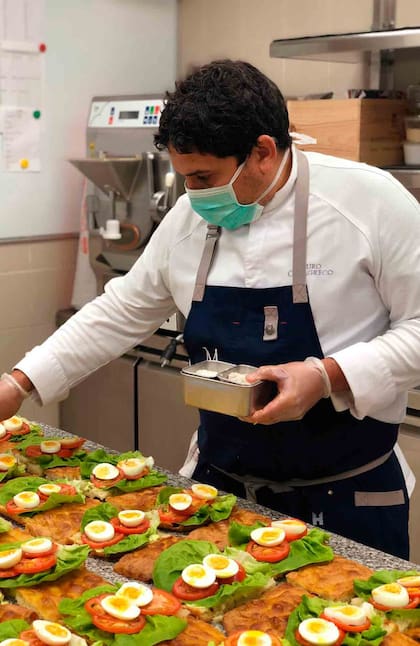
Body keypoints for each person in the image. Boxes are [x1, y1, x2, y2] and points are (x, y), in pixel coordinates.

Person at [1, 60, 420, 559]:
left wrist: (328, 376)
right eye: (185, 179)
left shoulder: (369, 202)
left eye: (204, 178)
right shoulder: (189, 217)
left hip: (348, 493)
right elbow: (120, 310)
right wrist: (18, 383)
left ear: (263, 151)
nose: (193, 196)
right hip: (218, 491)